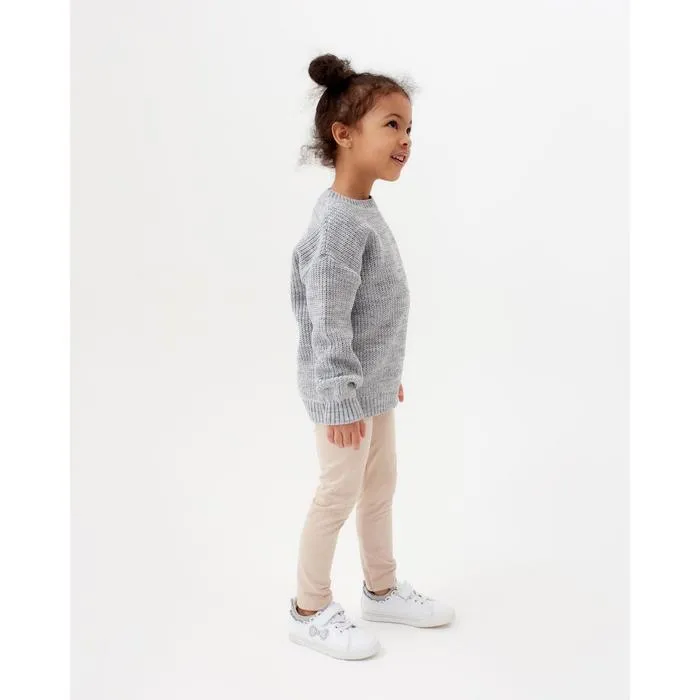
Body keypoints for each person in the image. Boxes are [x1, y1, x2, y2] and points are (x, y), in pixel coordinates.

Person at [288, 53, 455, 661]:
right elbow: (326, 318)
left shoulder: (363, 211)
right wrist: (339, 393)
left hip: (372, 388)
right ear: (344, 134)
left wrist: (385, 375)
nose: (405, 139)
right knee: (338, 493)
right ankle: (309, 608)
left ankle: (381, 590)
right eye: (391, 125)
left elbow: (372, 311)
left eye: (409, 128)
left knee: (379, 487)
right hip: (343, 396)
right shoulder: (337, 224)